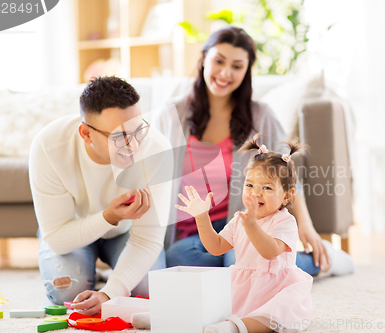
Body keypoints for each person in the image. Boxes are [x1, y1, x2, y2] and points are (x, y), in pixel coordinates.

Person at [154, 25, 353, 275]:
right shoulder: (172, 114)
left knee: (243, 262)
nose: (225, 73)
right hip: (195, 230)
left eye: (237, 66)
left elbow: (287, 170)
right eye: (219, 61)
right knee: (177, 258)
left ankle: (321, 261)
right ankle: (244, 268)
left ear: (247, 70)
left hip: (248, 222)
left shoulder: (261, 115)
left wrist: (306, 224)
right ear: (204, 59)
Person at [176, 136, 351, 333]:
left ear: (287, 195)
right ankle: (174, 317)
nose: (255, 193)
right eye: (249, 185)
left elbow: (270, 251)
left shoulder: (285, 221)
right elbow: (216, 247)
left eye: (267, 187)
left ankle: (235, 327)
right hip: (242, 286)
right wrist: (202, 218)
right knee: (212, 302)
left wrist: (251, 225)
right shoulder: (240, 219)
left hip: (275, 290)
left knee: (273, 316)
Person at [29, 76, 171, 316]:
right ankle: (91, 270)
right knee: (67, 292)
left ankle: (106, 275)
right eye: (119, 137)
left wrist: (109, 293)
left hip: (126, 234)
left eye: (138, 130)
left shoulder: (157, 150)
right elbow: (57, 238)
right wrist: (109, 216)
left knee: (147, 290)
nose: (134, 145)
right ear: (86, 133)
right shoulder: (49, 147)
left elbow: (147, 240)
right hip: (69, 231)